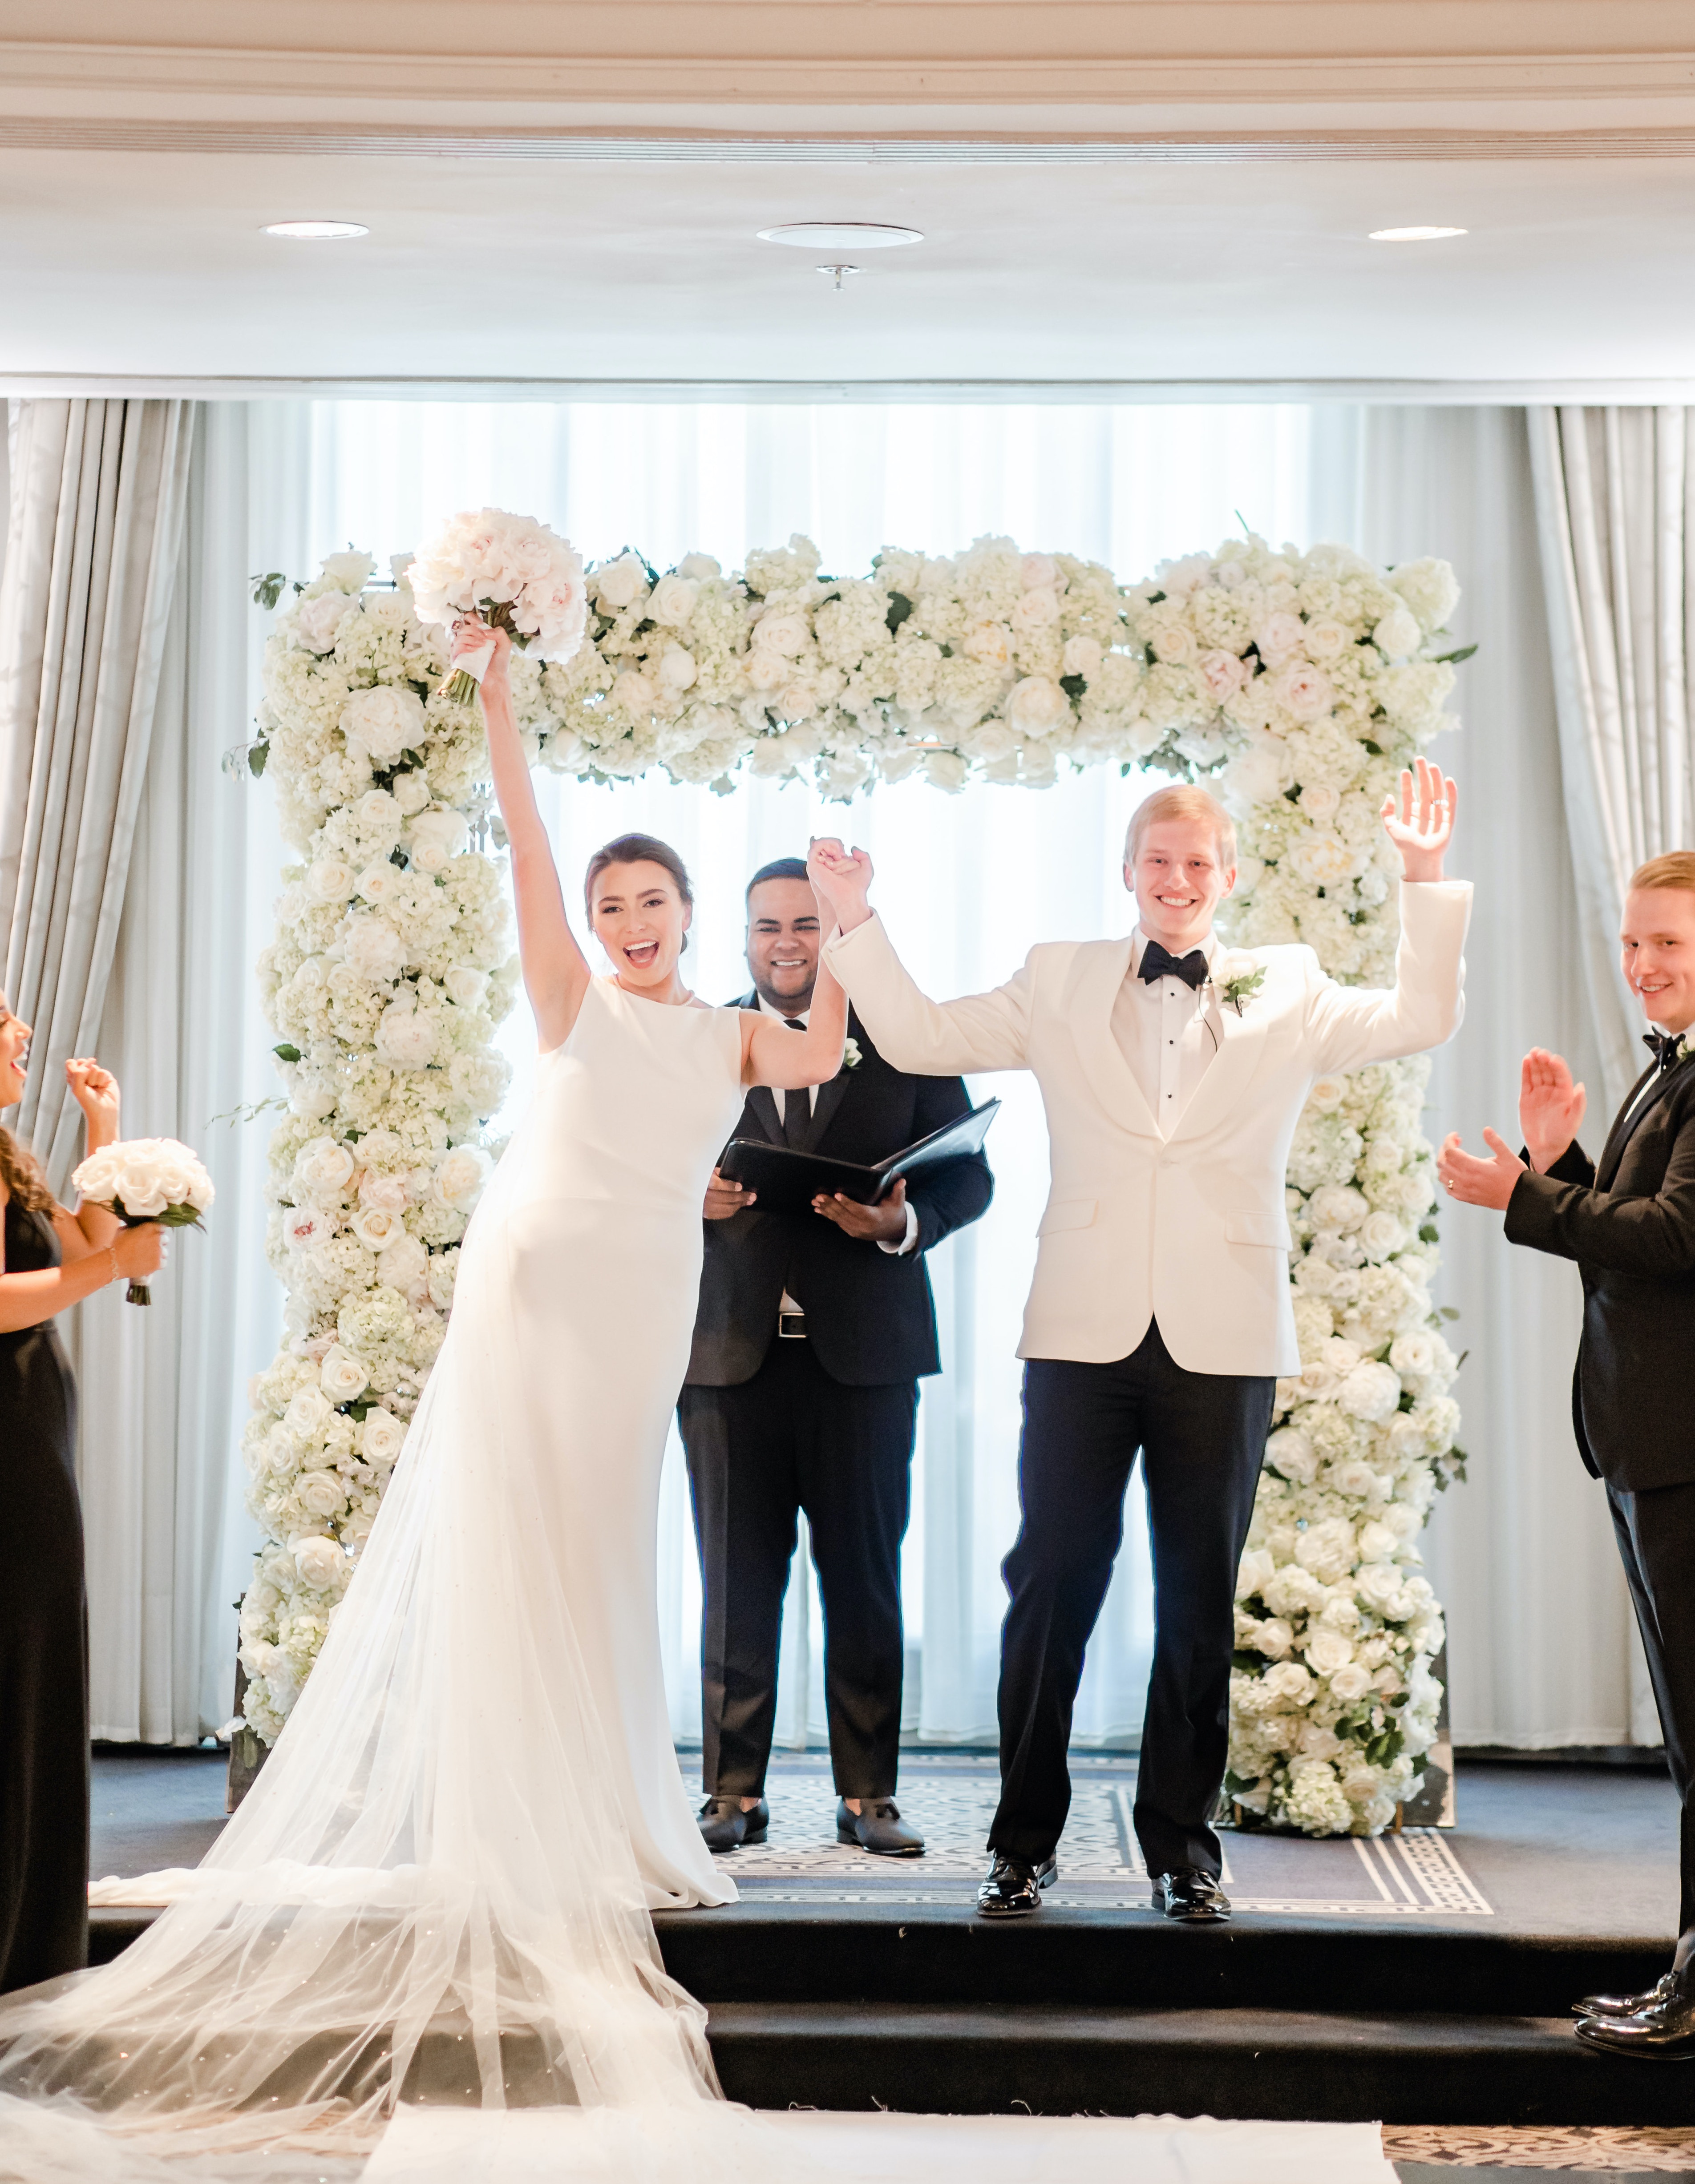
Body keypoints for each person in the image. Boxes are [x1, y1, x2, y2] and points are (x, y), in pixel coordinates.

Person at [0, 623, 849, 2168]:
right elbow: (524, 832)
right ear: (591, 924)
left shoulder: (733, 1033)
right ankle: (507, 1819)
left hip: (648, 1295)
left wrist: (842, 924)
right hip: (535, 1278)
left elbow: (826, 1037)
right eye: (613, 904)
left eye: (655, 901)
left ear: (690, 915)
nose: (634, 920)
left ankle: (613, 1811)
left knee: (608, 1537)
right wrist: (499, 700)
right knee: (521, 1536)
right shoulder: (570, 998)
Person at [808, 760, 1469, 1922]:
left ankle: (1183, 1847)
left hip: (1224, 1333)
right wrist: (853, 918)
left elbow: (1422, 1015)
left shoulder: (1292, 985)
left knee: (1196, 1597)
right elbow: (915, 1035)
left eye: (1197, 863)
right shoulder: (1059, 978)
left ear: (1227, 878)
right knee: (1048, 1584)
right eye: (1157, 860)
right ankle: (1022, 1840)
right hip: (1081, 1329)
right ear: (1126, 872)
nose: (1176, 879)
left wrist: (1423, 878)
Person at [680, 857, 993, 1857]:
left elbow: (971, 1176)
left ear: (837, 934)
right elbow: (627, 1164)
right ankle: (732, 1790)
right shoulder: (705, 1041)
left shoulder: (901, 1035)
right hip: (728, 1357)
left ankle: (870, 1795)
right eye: (768, 925)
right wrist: (686, 1195)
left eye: (808, 925)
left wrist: (902, 1221)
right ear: (742, 938)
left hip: (866, 1357)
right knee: (734, 1580)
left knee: (865, 1577)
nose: (787, 942)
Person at [1437, 851, 1695, 2059]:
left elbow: (1679, 1235)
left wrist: (1518, 1196)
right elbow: (1636, 1228)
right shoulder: (1668, 1072)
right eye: (1637, 942)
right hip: (1649, 1437)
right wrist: (1559, 1161)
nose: (1642, 964)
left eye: (1669, 946)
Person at [0, 1004, 162, 1992]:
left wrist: (104, 1132)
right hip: (5, 1434)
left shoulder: (8, 1149)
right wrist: (110, 1269)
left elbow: (67, 1247)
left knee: (41, 1663)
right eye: (3, 1025)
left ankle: (35, 1933)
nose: (20, 1035)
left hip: (35, 1424)